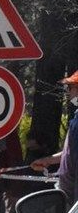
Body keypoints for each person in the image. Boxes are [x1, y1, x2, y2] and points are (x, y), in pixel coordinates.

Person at [31, 70, 78, 204]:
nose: (68, 92)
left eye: (71, 87)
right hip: (70, 196)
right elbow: (71, 153)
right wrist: (48, 160)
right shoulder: (76, 118)